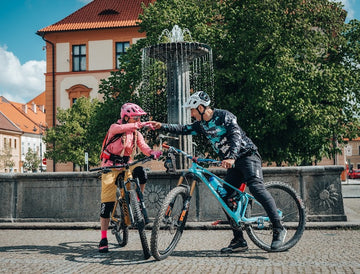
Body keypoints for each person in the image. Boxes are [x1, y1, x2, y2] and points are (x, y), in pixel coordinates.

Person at [150, 91, 287, 253]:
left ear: (200, 107)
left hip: (247, 156)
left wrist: (232, 157)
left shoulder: (224, 116)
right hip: (233, 164)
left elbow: (235, 136)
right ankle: (239, 240)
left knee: (257, 188)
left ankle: (278, 228)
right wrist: (162, 126)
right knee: (225, 197)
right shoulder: (201, 125)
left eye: (192, 110)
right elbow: (183, 129)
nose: (191, 114)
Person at [98, 102, 162, 253]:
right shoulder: (115, 128)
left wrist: (152, 152)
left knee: (141, 172)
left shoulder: (135, 133)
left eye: (138, 118)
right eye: (135, 118)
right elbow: (123, 128)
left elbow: (144, 147)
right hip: (110, 167)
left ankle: (138, 200)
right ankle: (103, 238)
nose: (137, 120)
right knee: (106, 204)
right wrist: (141, 124)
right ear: (125, 117)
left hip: (127, 166)